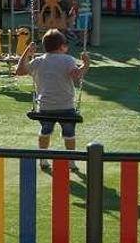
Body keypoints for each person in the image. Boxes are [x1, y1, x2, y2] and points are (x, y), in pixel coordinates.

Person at [15, 29, 90, 171]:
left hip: (45, 107)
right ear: (62, 46)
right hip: (66, 106)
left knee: (45, 131)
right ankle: (71, 162)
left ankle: (43, 160)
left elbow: (19, 70)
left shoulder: (38, 61)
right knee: (69, 134)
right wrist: (86, 64)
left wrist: (27, 52)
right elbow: (76, 76)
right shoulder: (68, 59)